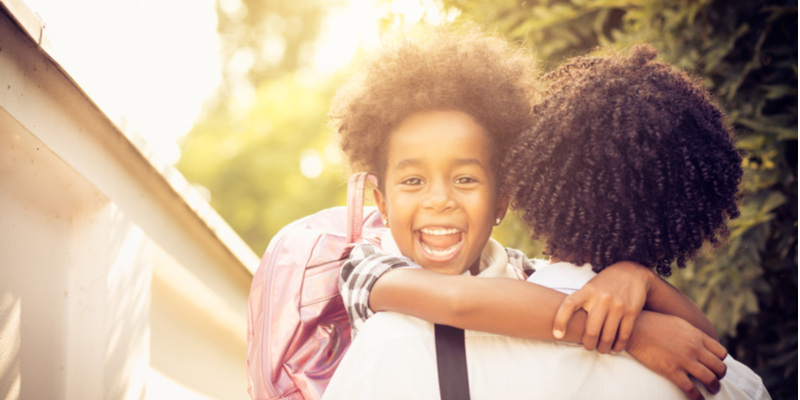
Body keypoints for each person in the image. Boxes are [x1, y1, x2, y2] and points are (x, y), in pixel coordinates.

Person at [324, 24, 735, 399]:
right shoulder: (365, 265)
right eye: (413, 181)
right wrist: (633, 331)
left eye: (465, 179)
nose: (439, 200)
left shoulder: (521, 274)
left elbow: (707, 347)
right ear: (380, 203)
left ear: (504, 199)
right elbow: (459, 302)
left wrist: (640, 280)